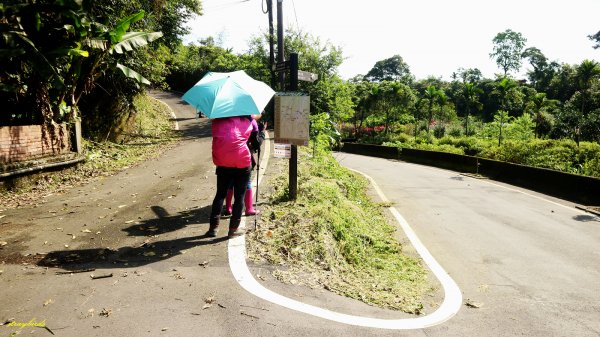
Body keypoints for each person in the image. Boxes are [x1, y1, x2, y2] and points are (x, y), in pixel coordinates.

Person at [206, 115, 254, 238]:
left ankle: (213, 228)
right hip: (242, 162)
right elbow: (253, 130)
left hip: (222, 163)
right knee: (239, 197)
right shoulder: (246, 121)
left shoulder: (216, 122)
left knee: (220, 194)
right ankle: (233, 229)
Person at [222, 117, 265, 217]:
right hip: (243, 156)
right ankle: (249, 208)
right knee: (247, 181)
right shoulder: (251, 121)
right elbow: (256, 143)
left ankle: (228, 207)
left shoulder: (227, 119)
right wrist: (262, 132)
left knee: (230, 181)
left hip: (227, 155)